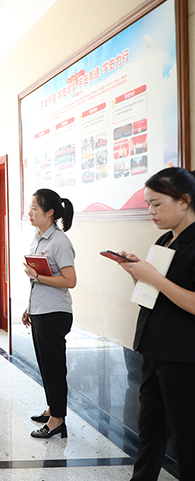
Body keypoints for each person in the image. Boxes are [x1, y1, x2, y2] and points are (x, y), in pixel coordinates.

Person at [114, 167, 195, 480]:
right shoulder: (166, 239)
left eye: (157, 204)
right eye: (148, 204)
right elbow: (152, 294)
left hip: (183, 355)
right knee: (149, 429)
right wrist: (136, 272)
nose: (151, 211)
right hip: (153, 347)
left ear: (184, 201)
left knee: (185, 436)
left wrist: (155, 278)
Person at [21, 188, 76, 439]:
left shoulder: (59, 242)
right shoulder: (39, 238)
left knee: (54, 367)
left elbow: (70, 280)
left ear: (49, 212)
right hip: (41, 310)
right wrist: (29, 307)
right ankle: (53, 408)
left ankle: (57, 421)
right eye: (30, 207)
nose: (30, 212)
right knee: (45, 365)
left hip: (55, 313)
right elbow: (40, 279)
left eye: (34, 208)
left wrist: (37, 277)